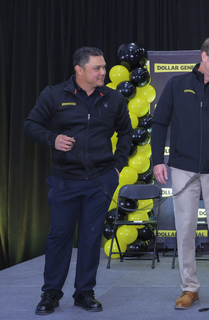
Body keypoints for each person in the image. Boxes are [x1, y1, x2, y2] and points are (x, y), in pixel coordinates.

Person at [24, 47, 132, 315]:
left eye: (104, 67)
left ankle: (85, 292)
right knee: (58, 237)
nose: (103, 72)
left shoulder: (113, 98)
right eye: (97, 68)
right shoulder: (54, 93)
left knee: (90, 238)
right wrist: (53, 139)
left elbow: (127, 134)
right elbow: (31, 124)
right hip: (64, 181)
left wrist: (117, 169)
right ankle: (51, 293)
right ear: (79, 70)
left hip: (100, 182)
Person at [151, 37, 209, 309]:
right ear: (203, 56)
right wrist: (158, 160)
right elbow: (160, 122)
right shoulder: (177, 84)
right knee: (185, 229)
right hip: (182, 167)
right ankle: (190, 288)